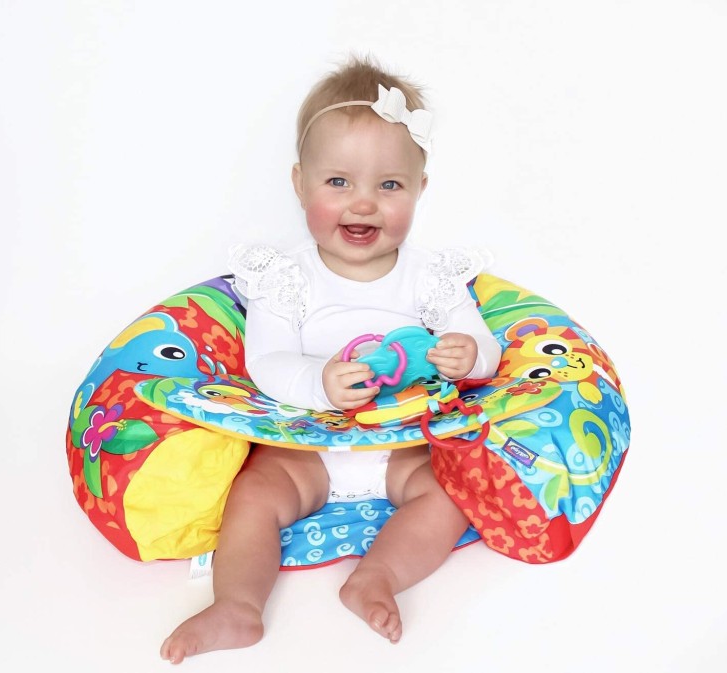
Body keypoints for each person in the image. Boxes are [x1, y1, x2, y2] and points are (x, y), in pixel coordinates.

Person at [160, 55, 502, 664]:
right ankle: (237, 606)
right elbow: (266, 362)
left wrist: (468, 354)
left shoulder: (431, 278)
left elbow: (487, 353)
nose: (363, 204)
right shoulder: (286, 279)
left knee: (451, 495)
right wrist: (318, 382)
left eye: (389, 186)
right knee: (253, 495)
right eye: (338, 182)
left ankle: (377, 577)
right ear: (300, 184)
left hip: (403, 447)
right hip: (307, 449)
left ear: (421, 188)